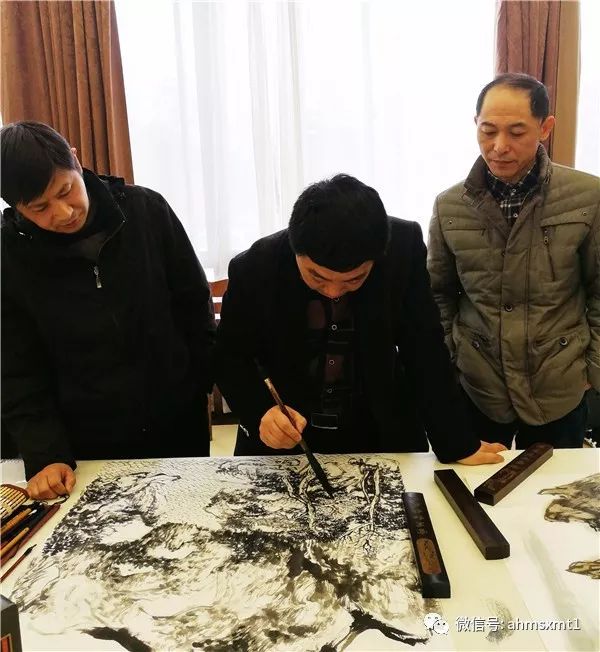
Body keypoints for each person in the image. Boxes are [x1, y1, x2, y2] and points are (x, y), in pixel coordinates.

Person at [214, 173, 506, 465]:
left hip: (379, 428)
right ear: (295, 248)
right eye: (317, 277)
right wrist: (260, 412)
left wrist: (456, 442)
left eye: (353, 280)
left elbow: (424, 347)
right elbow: (229, 357)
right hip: (285, 432)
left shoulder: (402, 249)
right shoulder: (256, 266)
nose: (333, 292)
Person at [1, 121, 216, 499]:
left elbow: (194, 306)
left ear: (76, 160)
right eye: (40, 208)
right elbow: (16, 369)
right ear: (15, 207)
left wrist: (199, 384)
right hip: (86, 444)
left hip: (177, 422)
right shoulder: (9, 257)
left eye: (66, 190)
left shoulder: (147, 211)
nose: (63, 212)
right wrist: (47, 455)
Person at [427, 73, 600, 450]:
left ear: (545, 128)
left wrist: (593, 371)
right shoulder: (449, 206)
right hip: (479, 388)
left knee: (555, 486)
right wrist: (450, 364)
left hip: (559, 386)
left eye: (517, 132)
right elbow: (439, 295)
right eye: (488, 131)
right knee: (476, 485)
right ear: (475, 124)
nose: (499, 146)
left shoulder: (588, 196)